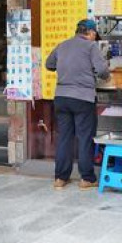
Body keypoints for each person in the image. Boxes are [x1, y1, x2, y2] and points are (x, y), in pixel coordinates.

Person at [46, 19, 109, 191]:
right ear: (91, 33)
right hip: (83, 98)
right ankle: (87, 178)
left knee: (64, 138)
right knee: (85, 138)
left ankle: (60, 178)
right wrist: (105, 76)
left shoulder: (62, 45)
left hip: (61, 98)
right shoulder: (91, 46)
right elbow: (102, 70)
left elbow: (49, 65)